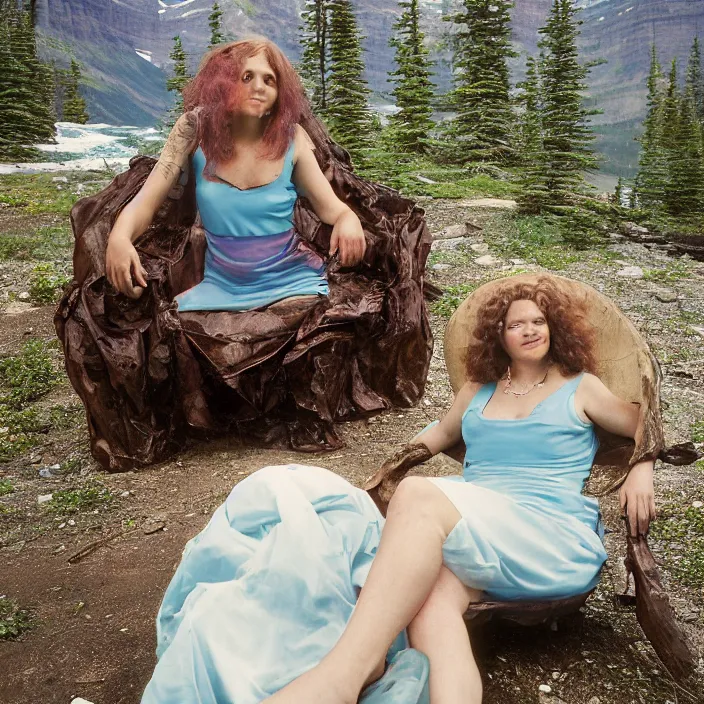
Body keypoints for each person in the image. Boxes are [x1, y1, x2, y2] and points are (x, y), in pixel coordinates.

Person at [141, 277, 657, 704]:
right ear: (497, 335)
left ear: (554, 329)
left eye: (538, 321)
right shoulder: (477, 394)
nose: (528, 330)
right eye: (515, 323)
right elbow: (434, 436)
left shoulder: (579, 386)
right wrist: (395, 464)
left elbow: (644, 423)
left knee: (420, 497)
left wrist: (643, 467)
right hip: (479, 529)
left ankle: (344, 677)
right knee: (428, 602)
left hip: (546, 531)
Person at [56, 37, 433, 471]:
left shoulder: (292, 138)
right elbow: (146, 201)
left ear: (280, 92)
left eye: (269, 80)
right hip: (223, 282)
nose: (258, 87)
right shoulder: (194, 130)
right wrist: (120, 238)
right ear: (221, 84)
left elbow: (332, 208)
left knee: (319, 334)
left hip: (291, 276)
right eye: (245, 76)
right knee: (161, 332)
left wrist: (347, 221)